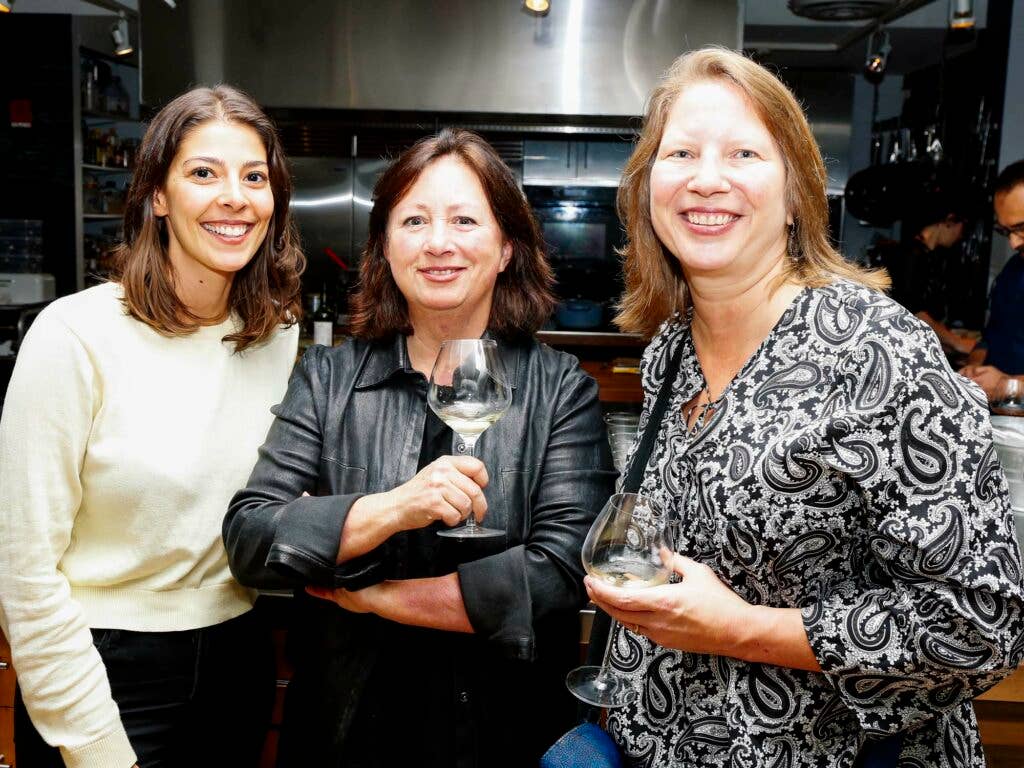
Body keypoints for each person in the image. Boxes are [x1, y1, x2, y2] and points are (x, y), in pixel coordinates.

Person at [583, 47, 1024, 767]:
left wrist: (740, 628)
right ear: (646, 188)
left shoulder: (879, 351)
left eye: (745, 153)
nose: (706, 178)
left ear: (796, 193)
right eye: (681, 152)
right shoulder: (670, 350)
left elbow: (981, 624)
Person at [223, 128, 616, 768]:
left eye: (464, 219)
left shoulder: (559, 389)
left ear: (506, 247)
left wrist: (376, 597)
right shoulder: (327, 379)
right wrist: (395, 507)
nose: (438, 243)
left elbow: (560, 573)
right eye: (414, 220)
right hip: (344, 726)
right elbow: (252, 540)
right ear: (385, 246)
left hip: (505, 730)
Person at [0, 85, 304, 768]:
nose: (235, 197)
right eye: (204, 173)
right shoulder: (73, 336)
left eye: (254, 177)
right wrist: (93, 741)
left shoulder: (273, 336)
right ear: (157, 196)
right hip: (102, 667)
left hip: (237, 656)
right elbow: (22, 571)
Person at [879, 193, 976, 356]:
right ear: (949, 221)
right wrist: (959, 343)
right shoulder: (912, 256)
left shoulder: (930, 256)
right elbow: (916, 313)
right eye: (962, 226)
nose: (961, 235)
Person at [961, 160, 1024, 402]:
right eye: (1006, 231)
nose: (1014, 243)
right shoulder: (1014, 268)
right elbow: (993, 335)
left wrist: (1009, 386)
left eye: (1022, 228)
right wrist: (973, 369)